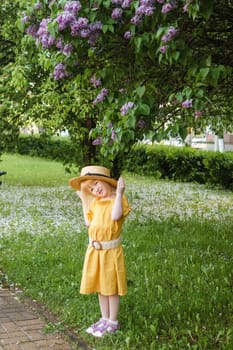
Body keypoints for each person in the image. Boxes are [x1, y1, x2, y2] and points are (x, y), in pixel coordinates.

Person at [69, 165, 131, 338]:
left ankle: (113, 321)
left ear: (105, 181)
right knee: (100, 287)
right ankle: (104, 318)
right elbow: (88, 223)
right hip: (95, 251)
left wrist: (118, 193)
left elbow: (115, 216)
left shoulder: (118, 200)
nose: (95, 190)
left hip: (110, 251)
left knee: (110, 287)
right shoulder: (95, 203)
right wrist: (84, 200)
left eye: (96, 184)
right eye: (90, 189)